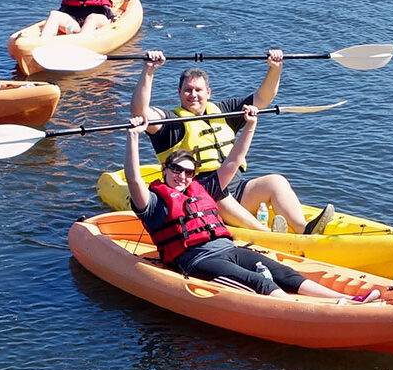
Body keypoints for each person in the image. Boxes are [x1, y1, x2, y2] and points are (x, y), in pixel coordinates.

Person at [124, 115, 378, 303]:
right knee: (257, 281)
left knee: (283, 272)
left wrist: (250, 125)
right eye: (176, 170)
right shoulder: (154, 202)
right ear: (165, 170)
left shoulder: (202, 188)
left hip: (230, 250)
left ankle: (344, 300)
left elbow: (233, 160)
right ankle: (306, 310)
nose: (182, 176)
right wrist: (133, 137)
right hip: (198, 260)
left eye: (188, 172)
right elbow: (134, 179)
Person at [130, 49, 336, 236]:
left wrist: (275, 69)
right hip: (202, 195)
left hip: (237, 188)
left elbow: (262, 99)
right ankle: (271, 236)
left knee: (276, 181)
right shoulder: (171, 124)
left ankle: (304, 229)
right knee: (220, 196)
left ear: (208, 93)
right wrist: (149, 71)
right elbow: (140, 112)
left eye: (198, 90)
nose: (193, 95)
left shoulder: (224, 111)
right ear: (179, 93)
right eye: (187, 90)